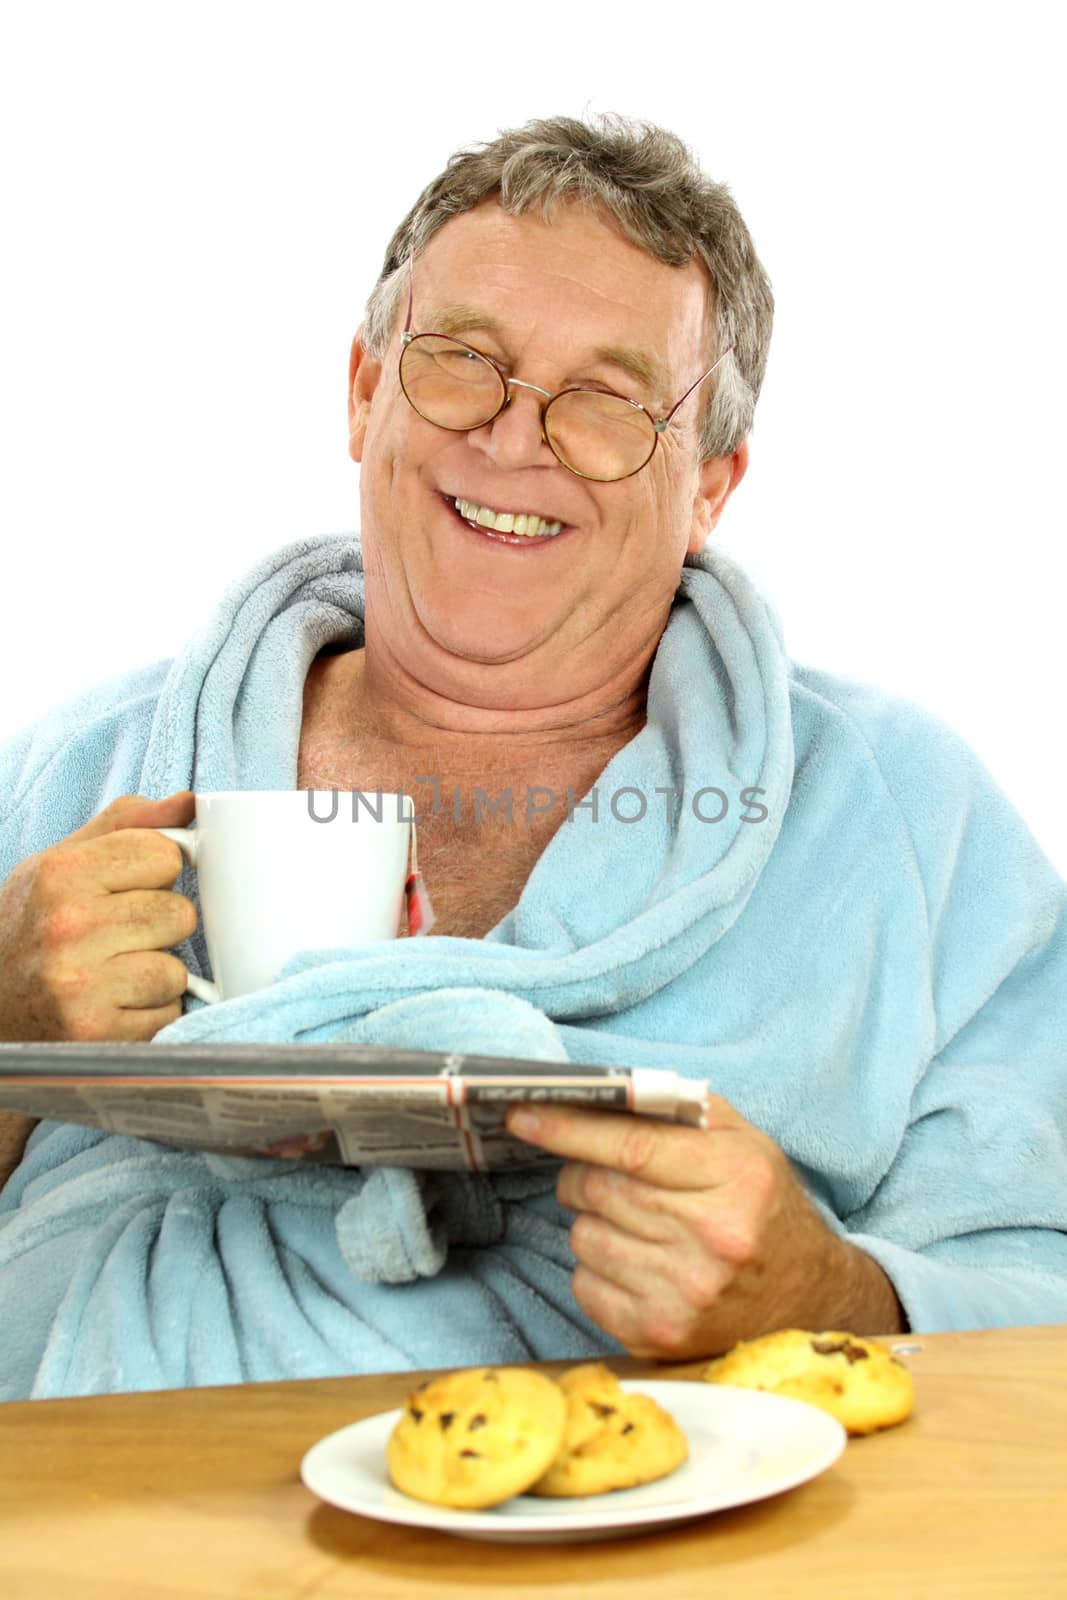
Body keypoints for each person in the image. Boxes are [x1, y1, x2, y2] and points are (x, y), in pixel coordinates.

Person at [1, 114, 1065, 1401]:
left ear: (711, 484)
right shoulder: (80, 776)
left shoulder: (903, 820)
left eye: (609, 401)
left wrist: (831, 1296)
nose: (514, 438)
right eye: (462, 360)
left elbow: (1039, 1295)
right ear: (360, 389)